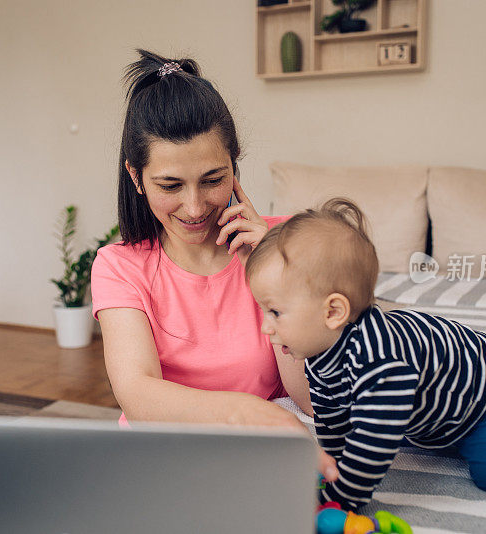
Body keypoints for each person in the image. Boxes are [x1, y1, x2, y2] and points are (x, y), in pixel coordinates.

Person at [91, 49, 337, 478]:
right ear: (136, 177)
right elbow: (138, 394)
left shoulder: (289, 240)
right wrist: (246, 415)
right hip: (165, 455)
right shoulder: (119, 266)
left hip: (267, 453)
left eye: (213, 180)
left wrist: (270, 270)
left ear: (234, 165)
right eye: (170, 184)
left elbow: (310, 399)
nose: (194, 207)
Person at [245, 197, 486, 511]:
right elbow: (332, 422)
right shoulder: (318, 351)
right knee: (382, 422)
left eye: (275, 312)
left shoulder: (379, 359)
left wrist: (342, 499)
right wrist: (332, 470)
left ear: (333, 311)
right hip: (431, 406)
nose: (265, 328)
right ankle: (432, 425)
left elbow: (371, 443)